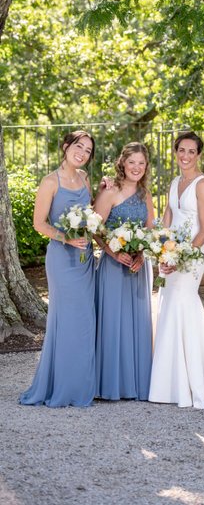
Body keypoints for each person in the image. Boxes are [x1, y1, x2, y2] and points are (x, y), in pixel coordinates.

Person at [20, 130, 96, 407]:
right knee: (65, 320)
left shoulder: (85, 178)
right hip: (62, 259)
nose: (83, 153)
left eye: (88, 150)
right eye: (79, 146)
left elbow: (93, 213)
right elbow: (39, 223)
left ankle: (82, 384)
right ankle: (60, 386)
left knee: (85, 320)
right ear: (66, 147)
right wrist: (65, 237)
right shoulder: (50, 182)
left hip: (85, 258)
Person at [148, 131, 204, 409]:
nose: (185, 156)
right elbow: (167, 217)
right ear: (175, 152)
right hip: (171, 252)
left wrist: (183, 255)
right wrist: (161, 248)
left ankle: (194, 383)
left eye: (191, 151)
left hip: (192, 254)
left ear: (199, 155)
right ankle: (168, 383)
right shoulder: (175, 181)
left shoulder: (202, 184)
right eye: (181, 150)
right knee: (168, 305)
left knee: (183, 304)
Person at [93, 143, 154, 401]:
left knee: (136, 321)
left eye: (141, 163)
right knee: (112, 322)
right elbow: (95, 228)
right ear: (123, 163)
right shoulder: (110, 191)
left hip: (137, 268)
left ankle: (135, 384)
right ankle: (109, 384)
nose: (136, 168)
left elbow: (150, 230)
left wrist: (141, 253)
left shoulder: (146, 195)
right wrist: (113, 252)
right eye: (132, 163)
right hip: (113, 267)